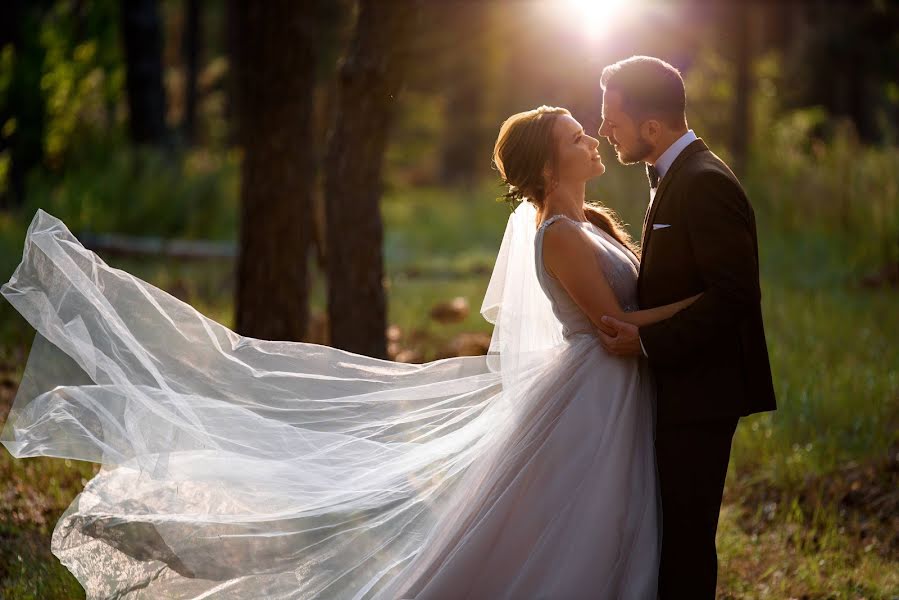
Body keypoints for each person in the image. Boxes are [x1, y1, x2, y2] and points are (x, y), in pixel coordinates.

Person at [1, 105, 692, 599]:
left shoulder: (592, 221)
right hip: (593, 392)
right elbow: (613, 329)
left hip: (608, 393)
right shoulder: (558, 236)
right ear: (548, 163)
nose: (592, 138)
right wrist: (705, 308)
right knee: (577, 525)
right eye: (577, 136)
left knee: (597, 522)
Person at [595, 56, 777, 599]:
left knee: (686, 539)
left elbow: (735, 296)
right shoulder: (677, 175)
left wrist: (646, 341)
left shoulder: (704, 182)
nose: (604, 130)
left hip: (703, 392)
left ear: (652, 127)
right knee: (670, 533)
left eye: (613, 119)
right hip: (681, 388)